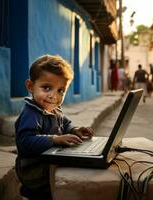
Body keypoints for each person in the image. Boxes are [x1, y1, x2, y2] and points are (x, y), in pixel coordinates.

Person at [15, 54, 94, 199]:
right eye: (46, 88)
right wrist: (55, 139)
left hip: (49, 162)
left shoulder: (54, 110)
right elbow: (25, 142)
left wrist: (74, 130)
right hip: (34, 171)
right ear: (30, 86)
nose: (54, 96)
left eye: (60, 91)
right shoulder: (30, 114)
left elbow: (65, 123)